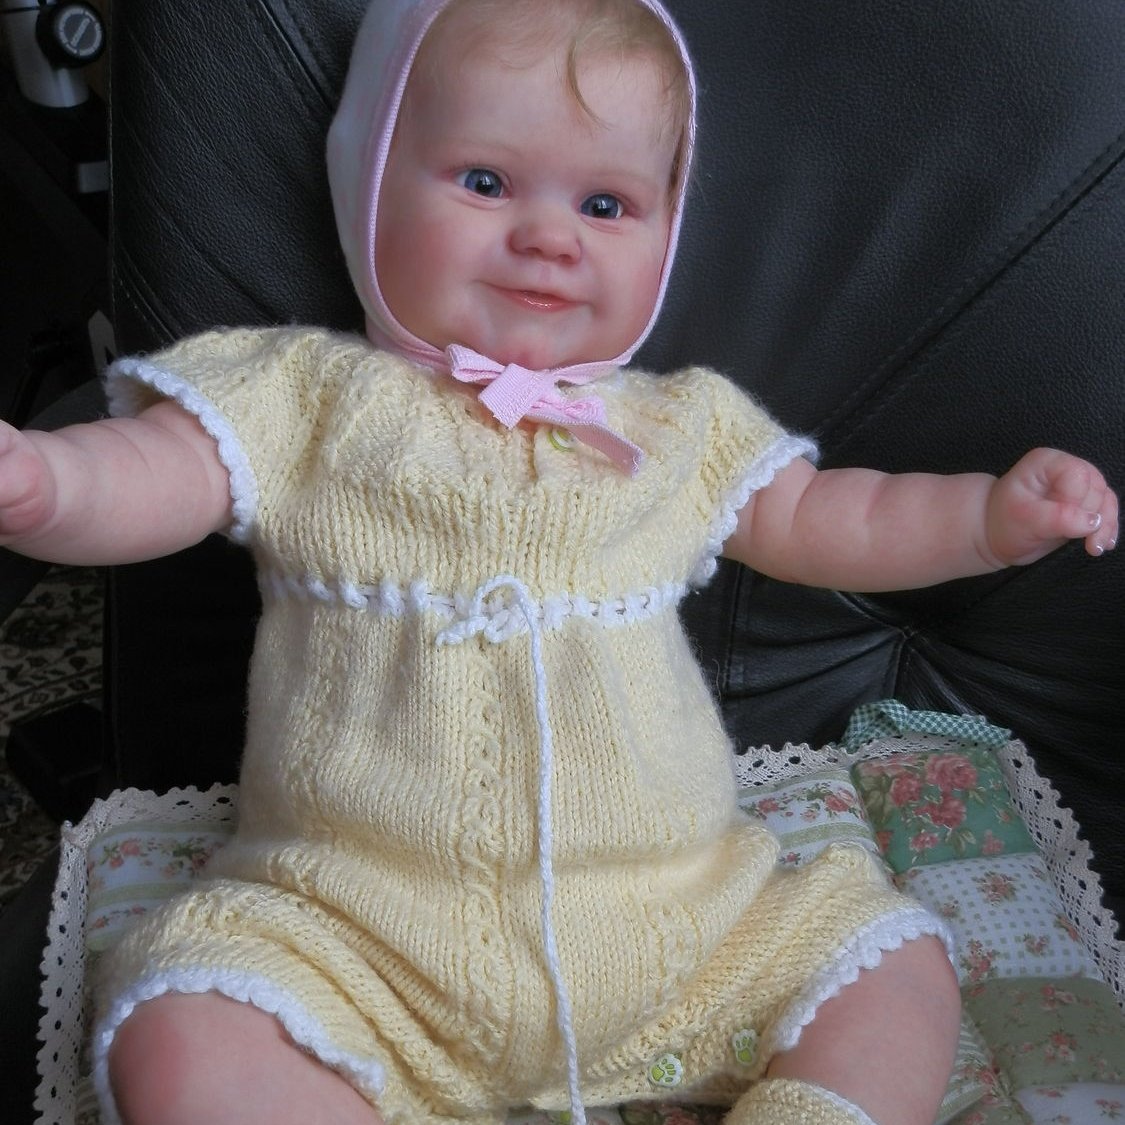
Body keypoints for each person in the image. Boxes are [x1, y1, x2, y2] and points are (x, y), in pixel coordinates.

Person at [0, 0, 1117, 1122]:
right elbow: (150, 472)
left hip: (685, 927)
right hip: (353, 931)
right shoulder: (302, 395)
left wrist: (986, 520)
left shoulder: (676, 427)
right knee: (180, 1026)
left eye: (604, 204)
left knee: (894, 965)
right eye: (485, 182)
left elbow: (836, 516)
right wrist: (44, 482)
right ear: (371, 184)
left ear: (664, 233)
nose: (549, 235)